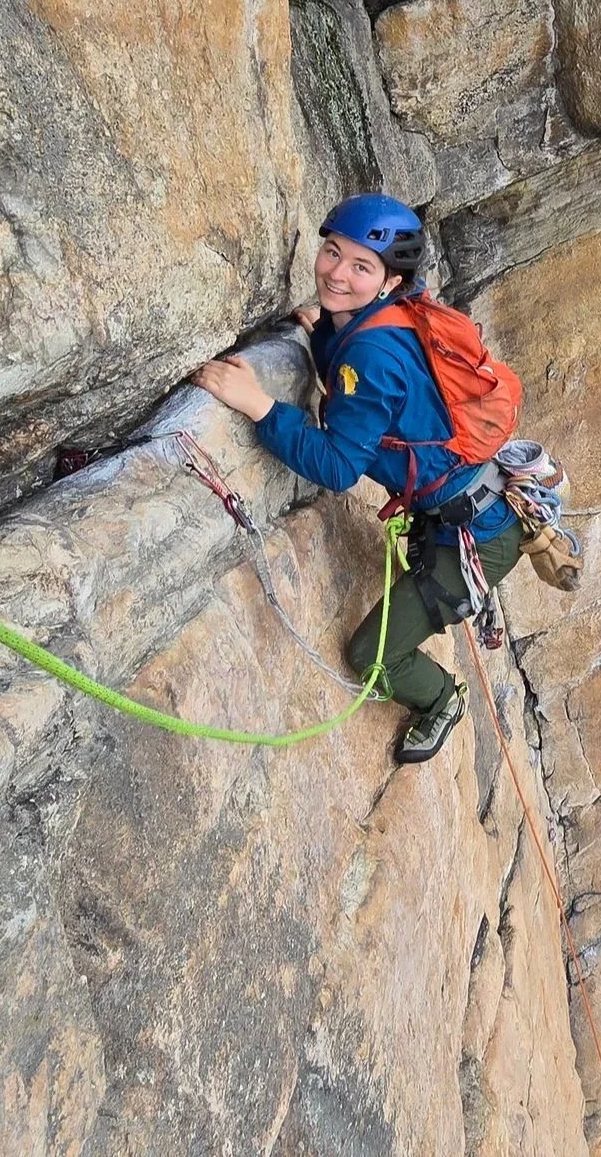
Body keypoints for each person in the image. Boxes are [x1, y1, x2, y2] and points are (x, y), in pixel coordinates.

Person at [192, 194, 520, 765]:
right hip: (471, 507)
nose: (336, 273)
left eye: (360, 267)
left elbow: (340, 467)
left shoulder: (371, 351)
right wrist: (323, 331)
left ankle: (442, 698)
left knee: (371, 655)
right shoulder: (383, 320)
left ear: (390, 281)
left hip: (477, 537)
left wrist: (260, 407)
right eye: (332, 253)